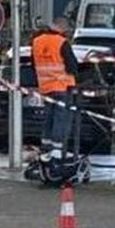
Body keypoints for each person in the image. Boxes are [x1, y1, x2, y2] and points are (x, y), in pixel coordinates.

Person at [30, 17, 81, 159]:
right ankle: (58, 150)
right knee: (61, 118)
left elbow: (33, 64)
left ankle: (46, 147)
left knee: (48, 118)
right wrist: (78, 77)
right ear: (62, 28)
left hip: (45, 87)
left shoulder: (36, 42)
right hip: (62, 86)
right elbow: (72, 65)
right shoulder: (61, 42)